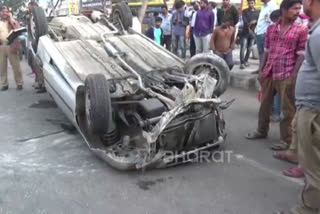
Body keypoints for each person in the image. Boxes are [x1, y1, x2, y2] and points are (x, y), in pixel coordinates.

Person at [245, 0, 308, 152]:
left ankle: (286, 140)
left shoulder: (300, 29)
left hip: (286, 73)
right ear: (284, 10)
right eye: (295, 9)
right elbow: (266, 51)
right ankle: (261, 130)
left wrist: (294, 74)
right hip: (270, 71)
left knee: (287, 110)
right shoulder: (272, 28)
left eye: (299, 8)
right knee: (265, 104)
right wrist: (261, 70)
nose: (298, 11)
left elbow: (301, 55)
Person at [276, 0, 320, 212]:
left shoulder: (317, 34)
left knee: (314, 170)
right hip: (310, 107)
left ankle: (308, 209)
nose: (301, 8)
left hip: (314, 111)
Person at [0, 6, 23, 91]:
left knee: (16, 66)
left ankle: (19, 83)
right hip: (1, 46)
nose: (4, 13)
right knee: (2, 67)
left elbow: (18, 28)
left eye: (6, 12)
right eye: (3, 12)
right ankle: (4, 84)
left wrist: (11, 18)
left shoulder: (11, 21)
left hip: (11, 45)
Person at [254, 0, 279, 67]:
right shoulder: (264, 6)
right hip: (259, 32)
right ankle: (260, 68)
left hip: (265, 33)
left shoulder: (273, 6)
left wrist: (268, 32)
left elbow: (275, 21)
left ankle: (264, 70)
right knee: (261, 53)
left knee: (266, 53)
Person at [239, 0, 260, 69]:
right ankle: (242, 63)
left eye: (252, 3)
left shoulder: (258, 12)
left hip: (253, 33)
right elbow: (245, 21)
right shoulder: (245, 11)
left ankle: (246, 61)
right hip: (245, 33)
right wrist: (250, 25)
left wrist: (256, 21)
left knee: (249, 48)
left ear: (254, 3)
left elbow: (259, 21)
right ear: (247, 3)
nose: (251, 4)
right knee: (243, 48)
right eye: (249, 3)